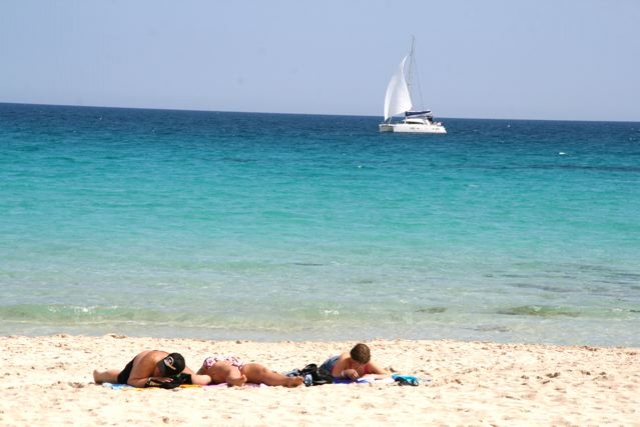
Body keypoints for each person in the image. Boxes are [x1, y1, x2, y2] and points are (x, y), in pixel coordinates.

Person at [93, 350, 212, 388]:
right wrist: (152, 379)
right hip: (139, 363)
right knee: (120, 378)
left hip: (174, 366)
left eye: (162, 371)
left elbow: (202, 379)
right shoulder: (151, 360)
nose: (159, 371)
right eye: (160, 367)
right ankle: (98, 375)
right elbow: (132, 381)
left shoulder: (177, 367)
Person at [196, 354, 304, 387]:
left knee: (263, 372)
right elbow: (196, 377)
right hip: (215, 366)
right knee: (230, 370)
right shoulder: (209, 364)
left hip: (241, 367)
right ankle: (235, 380)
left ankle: (287, 380)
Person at [319, 343, 388, 380]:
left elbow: (386, 375)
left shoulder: (367, 362)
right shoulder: (345, 358)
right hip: (332, 364)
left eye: (359, 364)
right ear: (351, 358)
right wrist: (345, 372)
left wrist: (372, 376)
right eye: (354, 362)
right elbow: (335, 374)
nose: (356, 366)